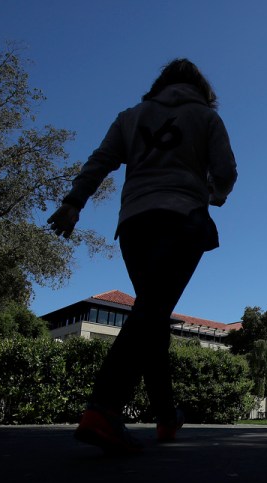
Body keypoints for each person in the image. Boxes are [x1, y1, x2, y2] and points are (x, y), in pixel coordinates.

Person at [47, 58, 237, 453]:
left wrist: (73, 203)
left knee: (153, 314)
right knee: (151, 312)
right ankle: (103, 409)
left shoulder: (131, 117)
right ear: (201, 88)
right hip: (182, 219)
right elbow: (226, 171)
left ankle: (167, 418)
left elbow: (99, 162)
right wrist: (212, 194)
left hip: (134, 224)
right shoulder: (206, 118)